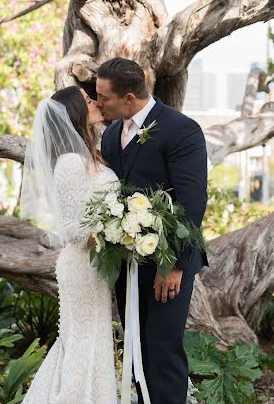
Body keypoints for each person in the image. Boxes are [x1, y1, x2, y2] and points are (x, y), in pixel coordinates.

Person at [97, 58, 208, 404]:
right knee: (135, 349)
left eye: (104, 97)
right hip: (126, 265)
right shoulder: (112, 134)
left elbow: (192, 203)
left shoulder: (182, 130)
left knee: (162, 350)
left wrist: (171, 265)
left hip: (166, 264)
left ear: (129, 98)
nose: (98, 103)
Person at [20, 86, 119, 404]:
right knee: (80, 340)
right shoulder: (69, 164)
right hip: (82, 265)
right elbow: (73, 229)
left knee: (89, 339)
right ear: (75, 111)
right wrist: (117, 233)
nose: (95, 101)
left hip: (97, 267)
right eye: (88, 100)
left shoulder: (92, 156)